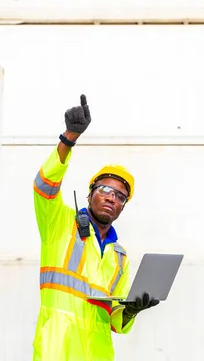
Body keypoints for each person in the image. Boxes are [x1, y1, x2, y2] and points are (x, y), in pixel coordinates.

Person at [32, 94, 159, 360]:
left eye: (120, 196)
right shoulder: (59, 223)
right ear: (90, 194)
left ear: (122, 207)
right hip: (57, 351)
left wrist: (132, 310)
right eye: (105, 189)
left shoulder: (120, 258)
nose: (112, 197)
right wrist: (68, 138)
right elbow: (44, 186)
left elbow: (115, 322)